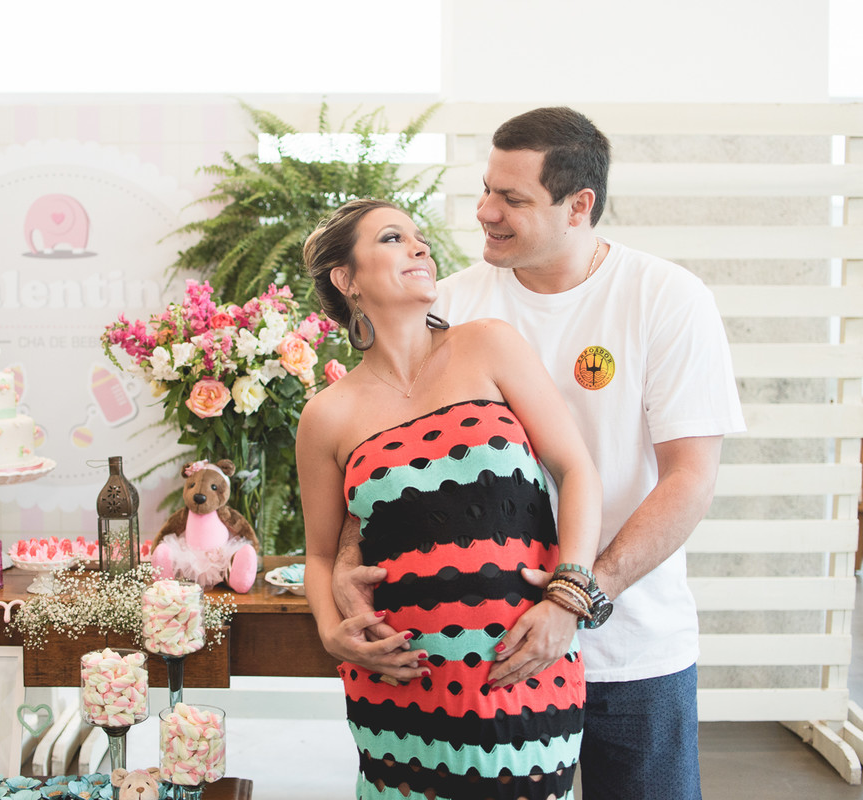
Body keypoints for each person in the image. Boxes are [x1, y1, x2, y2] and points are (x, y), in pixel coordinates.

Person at [333, 107, 746, 800]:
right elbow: (380, 446)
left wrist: (576, 596)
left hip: (633, 651)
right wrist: (348, 561)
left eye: (513, 199)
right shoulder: (449, 304)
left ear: (578, 205)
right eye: (487, 189)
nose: (486, 212)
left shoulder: (666, 299)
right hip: (481, 657)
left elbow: (690, 480)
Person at [296, 197, 602, 799]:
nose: (419, 247)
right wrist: (333, 633)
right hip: (399, 682)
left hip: (522, 663)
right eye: (392, 238)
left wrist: (569, 598)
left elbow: (576, 470)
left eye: (419, 236)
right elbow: (321, 556)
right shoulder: (327, 415)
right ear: (346, 279)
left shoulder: (488, 345)